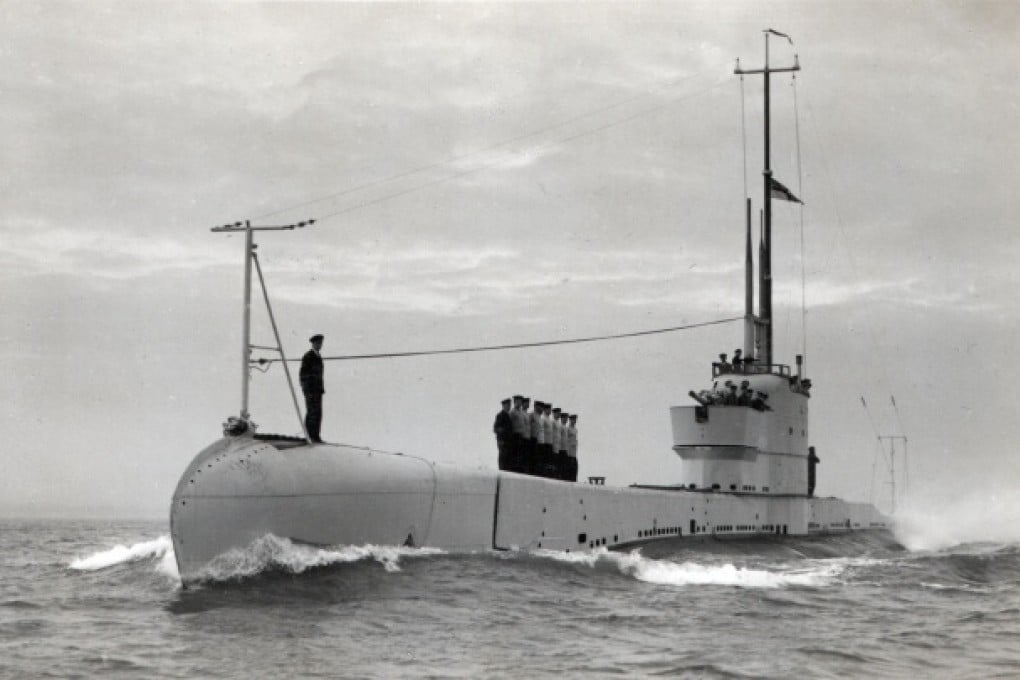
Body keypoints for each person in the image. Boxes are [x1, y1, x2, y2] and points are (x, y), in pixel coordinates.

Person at [300, 334, 326, 443]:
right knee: (312, 412)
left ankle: (316, 435)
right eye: (318, 343)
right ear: (313, 343)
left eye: (320, 343)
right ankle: (309, 436)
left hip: (318, 390)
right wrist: (306, 390)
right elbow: (303, 375)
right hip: (311, 390)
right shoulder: (308, 356)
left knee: (318, 412)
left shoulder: (318, 356)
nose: (320, 345)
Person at [494, 398, 514, 470]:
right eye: (507, 405)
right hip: (503, 441)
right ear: (503, 405)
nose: (509, 406)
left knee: (507, 459)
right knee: (502, 458)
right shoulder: (500, 415)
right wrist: (501, 438)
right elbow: (496, 428)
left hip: (508, 442)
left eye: (509, 405)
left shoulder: (508, 416)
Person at [510, 395, 529, 472]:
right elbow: (509, 424)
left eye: (521, 401)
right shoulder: (512, 412)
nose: (520, 403)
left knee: (520, 454)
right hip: (515, 435)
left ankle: (519, 469)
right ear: (515, 402)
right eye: (518, 401)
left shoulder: (521, 412)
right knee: (515, 453)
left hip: (522, 436)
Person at [529, 400, 544, 475]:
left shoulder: (540, 418)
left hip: (540, 442)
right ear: (536, 407)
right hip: (533, 439)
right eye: (540, 407)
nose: (542, 409)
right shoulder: (531, 415)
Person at [566, 414, 579, 482]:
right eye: (573, 419)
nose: (574, 421)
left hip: (574, 452)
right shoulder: (568, 429)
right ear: (570, 420)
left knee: (574, 470)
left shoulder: (576, 430)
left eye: (575, 419)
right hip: (569, 452)